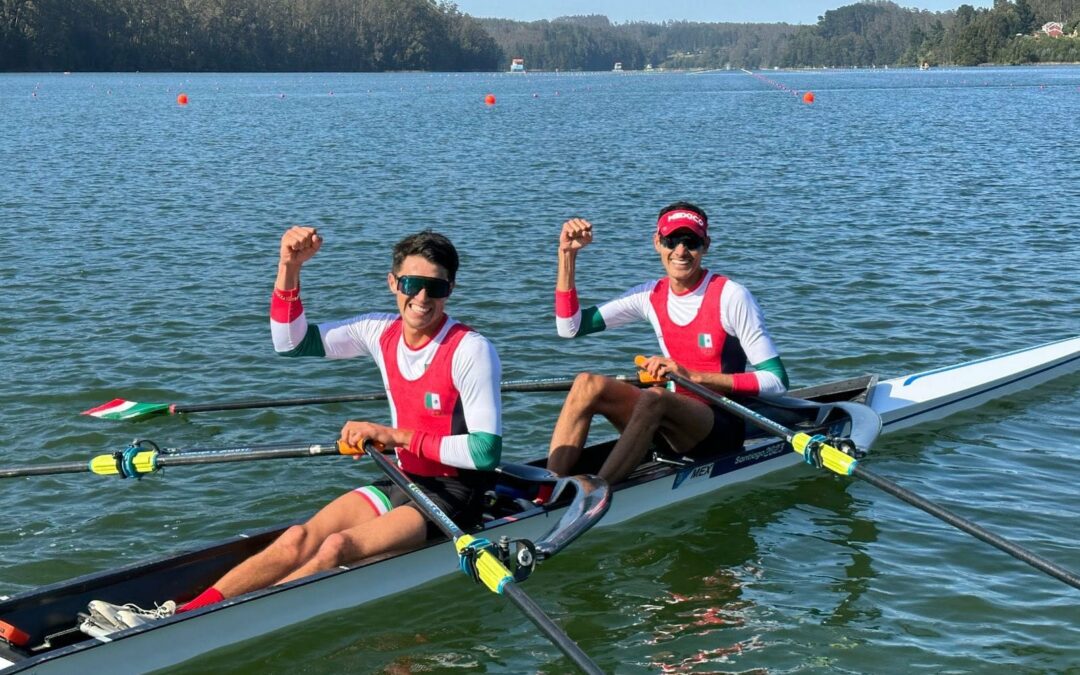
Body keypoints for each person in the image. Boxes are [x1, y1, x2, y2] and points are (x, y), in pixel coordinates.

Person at [83, 226, 502, 633]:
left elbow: (485, 453)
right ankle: (183, 614)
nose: (423, 297)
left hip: (455, 494)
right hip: (402, 478)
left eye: (437, 287)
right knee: (297, 538)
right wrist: (289, 266)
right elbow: (291, 343)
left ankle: (227, 624)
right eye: (412, 283)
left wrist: (394, 436)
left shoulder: (471, 350)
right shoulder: (379, 332)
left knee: (337, 547)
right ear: (393, 282)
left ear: (451, 289)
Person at [544, 202, 788, 488]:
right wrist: (567, 255)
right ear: (657, 242)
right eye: (672, 240)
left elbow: (777, 380)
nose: (681, 251)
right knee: (587, 383)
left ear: (706, 245)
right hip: (670, 422)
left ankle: (595, 493)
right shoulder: (649, 294)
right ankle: (548, 487)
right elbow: (569, 327)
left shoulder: (732, 297)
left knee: (654, 397)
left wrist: (693, 377)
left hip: (722, 425)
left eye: (691, 242)